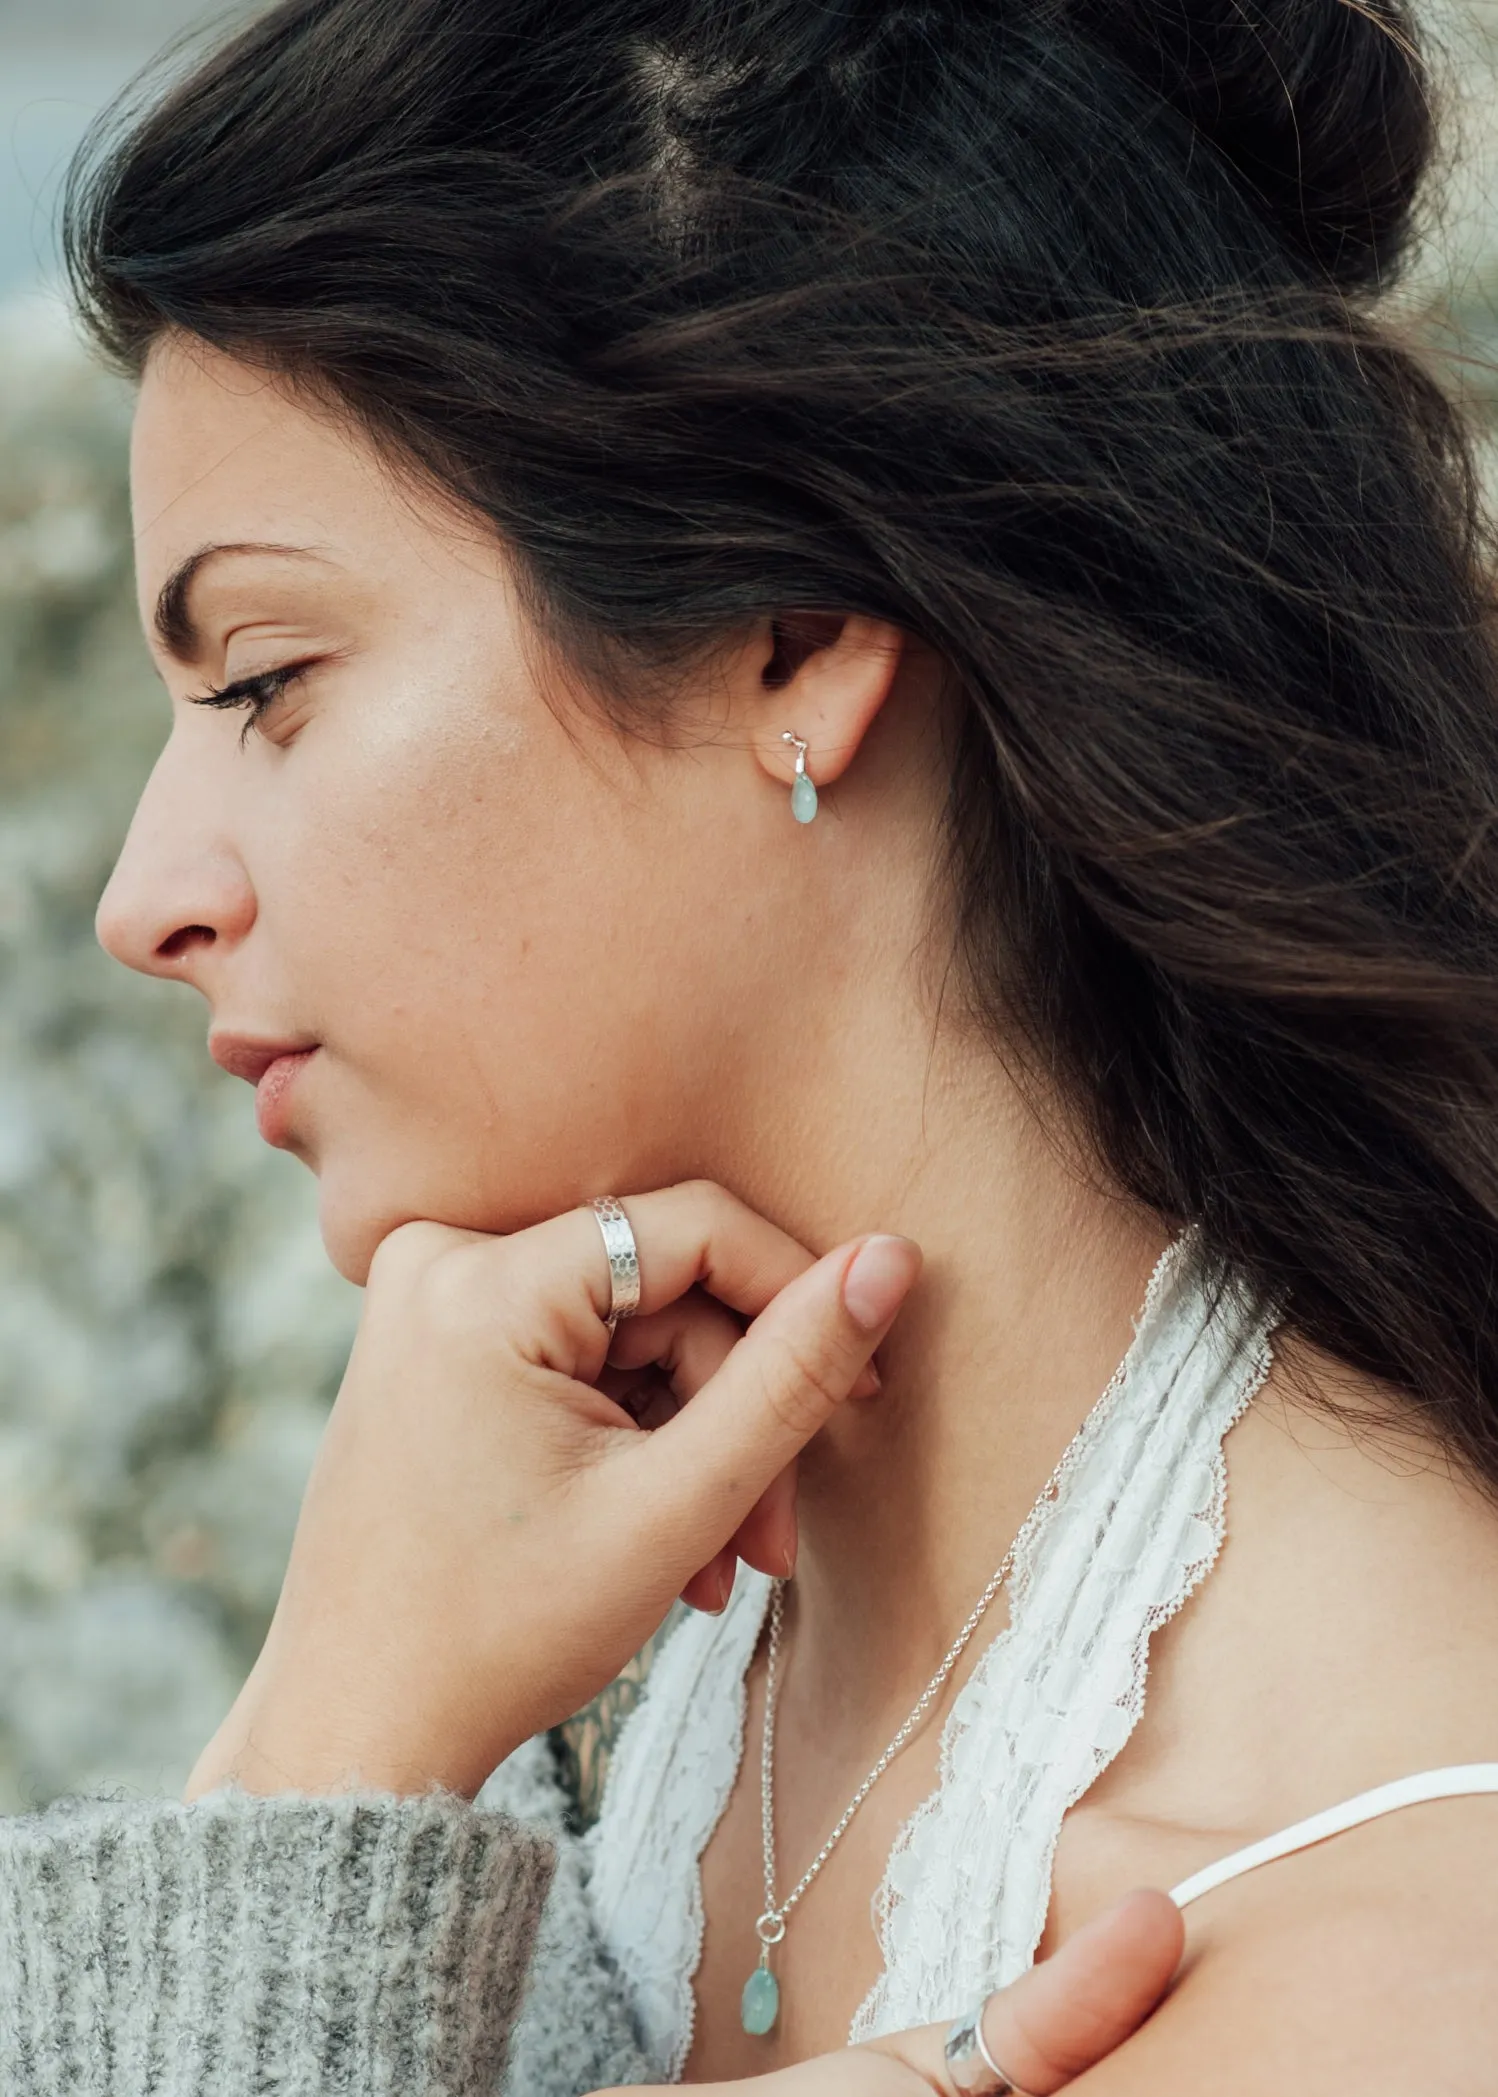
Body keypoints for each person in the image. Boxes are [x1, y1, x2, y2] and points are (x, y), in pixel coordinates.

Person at [7, 0, 1498, 2088]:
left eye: (266, 680)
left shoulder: (1357, 1961)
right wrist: (341, 1727)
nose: (143, 896)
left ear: (789, 637)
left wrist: (323, 1771)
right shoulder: (586, 1673)